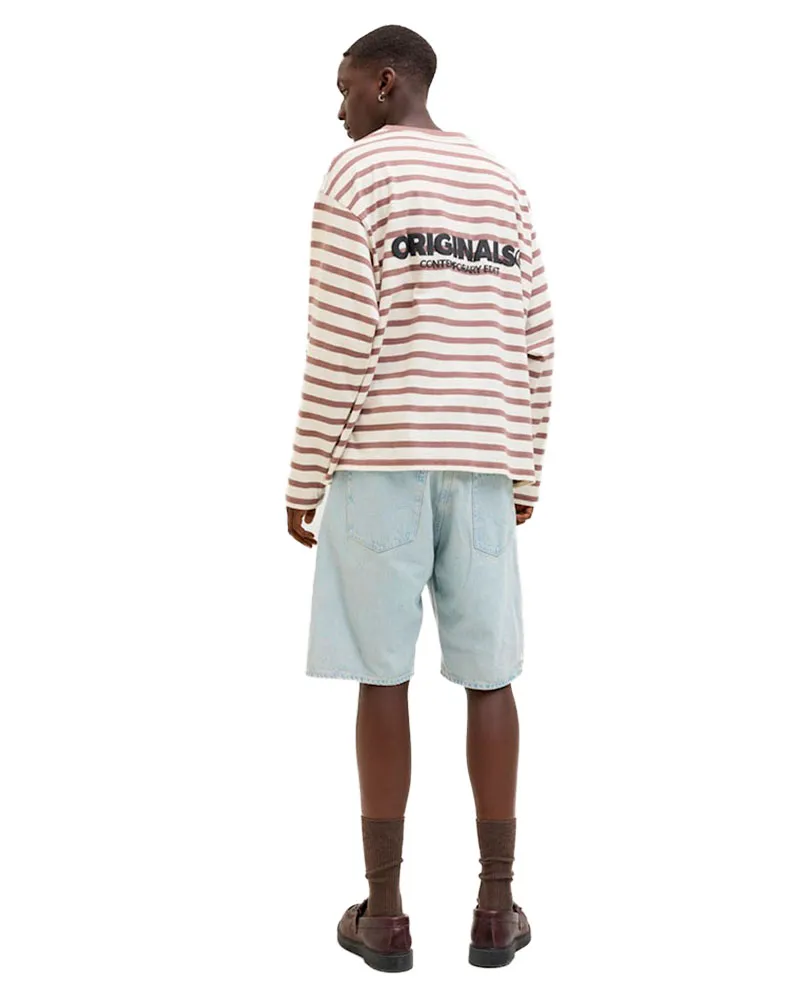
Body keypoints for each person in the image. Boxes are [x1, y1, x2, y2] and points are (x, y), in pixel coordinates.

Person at [284, 24, 555, 972]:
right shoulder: (501, 181)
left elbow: (342, 339)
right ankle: (496, 910)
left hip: (381, 463)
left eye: (346, 86)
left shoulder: (356, 175)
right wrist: (527, 466)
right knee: (491, 678)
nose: (338, 108)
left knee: (382, 677)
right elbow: (538, 334)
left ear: (386, 80)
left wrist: (304, 473)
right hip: (483, 465)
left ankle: (388, 916)